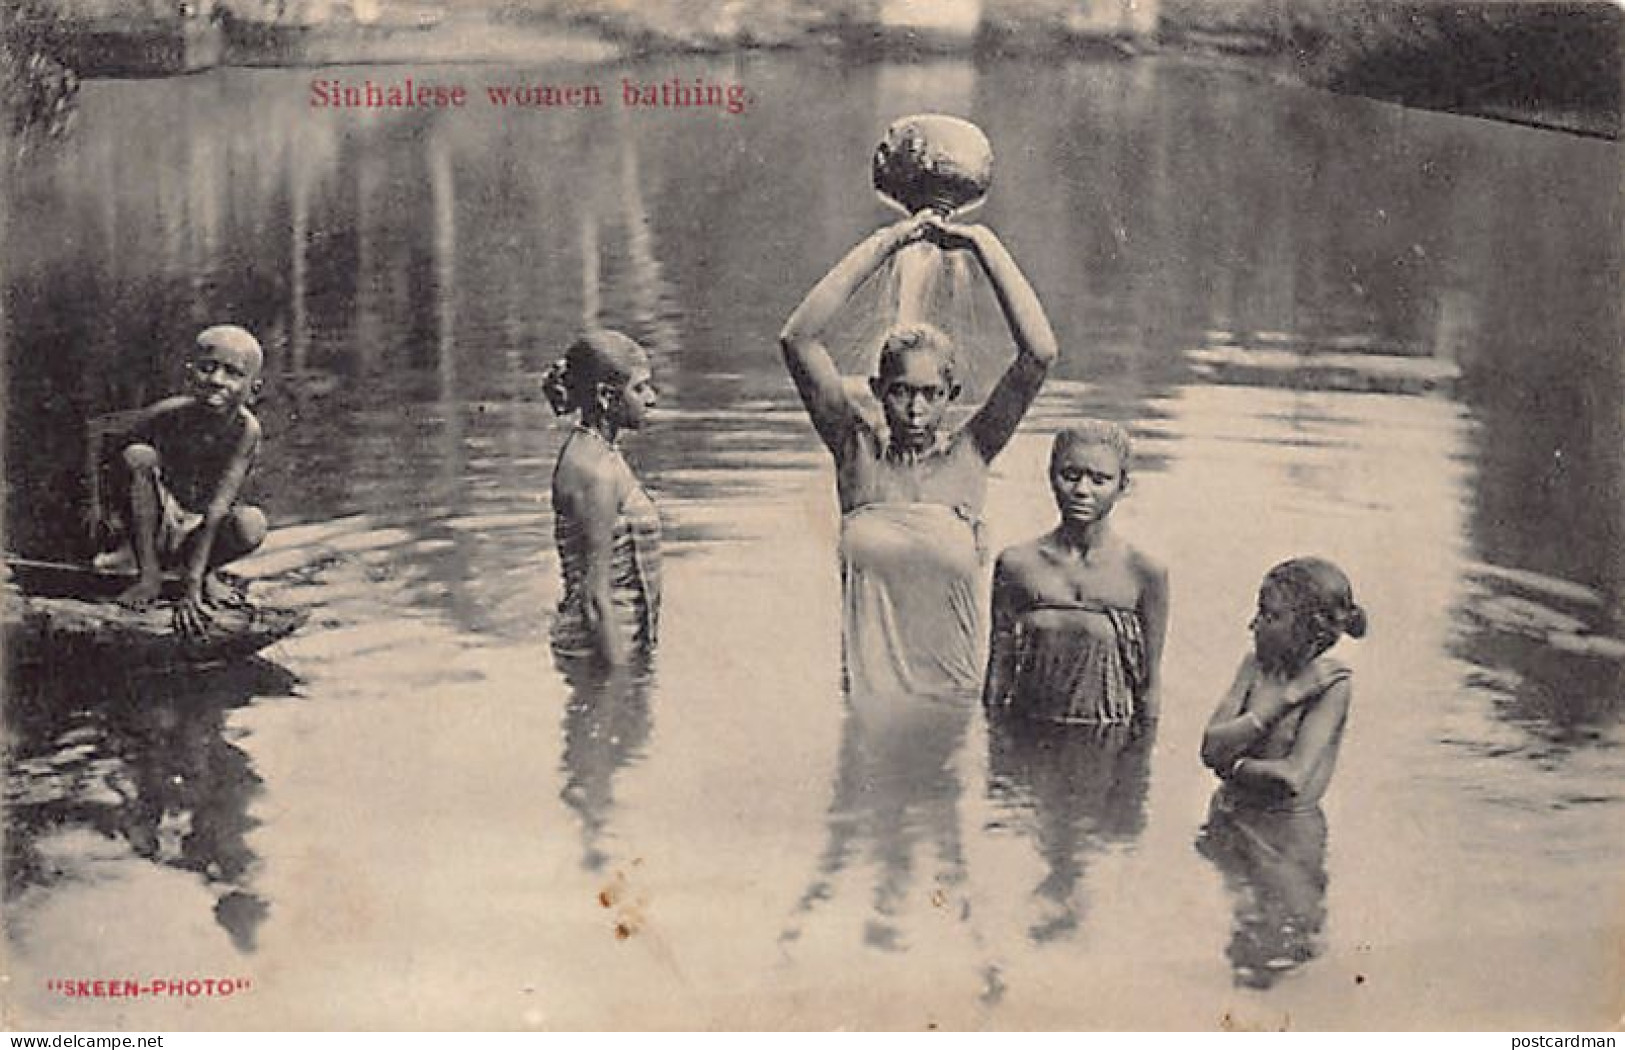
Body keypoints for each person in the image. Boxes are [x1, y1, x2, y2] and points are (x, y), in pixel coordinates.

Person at [779, 212, 1058, 697]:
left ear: (952, 394)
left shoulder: (971, 454)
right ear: (878, 390)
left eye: (931, 393)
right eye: (901, 392)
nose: (915, 408)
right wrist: (886, 242)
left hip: (956, 697)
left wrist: (981, 243)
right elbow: (798, 339)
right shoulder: (855, 453)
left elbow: (1038, 354)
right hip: (869, 702)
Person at [982, 422, 1169, 726]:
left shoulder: (1144, 572)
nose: (1082, 490)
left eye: (1099, 480)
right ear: (1050, 477)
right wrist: (996, 757)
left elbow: (1149, 687)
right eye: (1070, 476)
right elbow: (998, 675)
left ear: (1123, 486)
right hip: (1027, 732)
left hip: (1106, 739)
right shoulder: (1017, 565)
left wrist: (1140, 767)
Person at [87, 324, 268, 639]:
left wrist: (193, 588)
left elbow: (216, 510)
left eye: (233, 373)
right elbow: (99, 430)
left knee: (251, 523)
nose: (216, 380)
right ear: (190, 374)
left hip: (196, 531)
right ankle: (149, 574)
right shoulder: (170, 413)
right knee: (137, 455)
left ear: (253, 389)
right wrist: (96, 505)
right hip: (155, 523)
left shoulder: (246, 431)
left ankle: (200, 571)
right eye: (207, 368)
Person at [1200, 557, 1367, 811]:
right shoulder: (1255, 665)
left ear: (1309, 629)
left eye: (1270, 615)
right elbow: (1210, 745)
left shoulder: (1332, 686)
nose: (1254, 624)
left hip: (1285, 833)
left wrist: (1231, 766)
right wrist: (1286, 700)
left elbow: (1291, 778)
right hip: (1229, 813)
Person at [543, 330, 661, 667]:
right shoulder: (595, 471)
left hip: (615, 643)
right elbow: (594, 601)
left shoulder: (600, 452)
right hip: (602, 654)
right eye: (639, 388)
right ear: (607, 396)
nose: (651, 398)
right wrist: (620, 689)